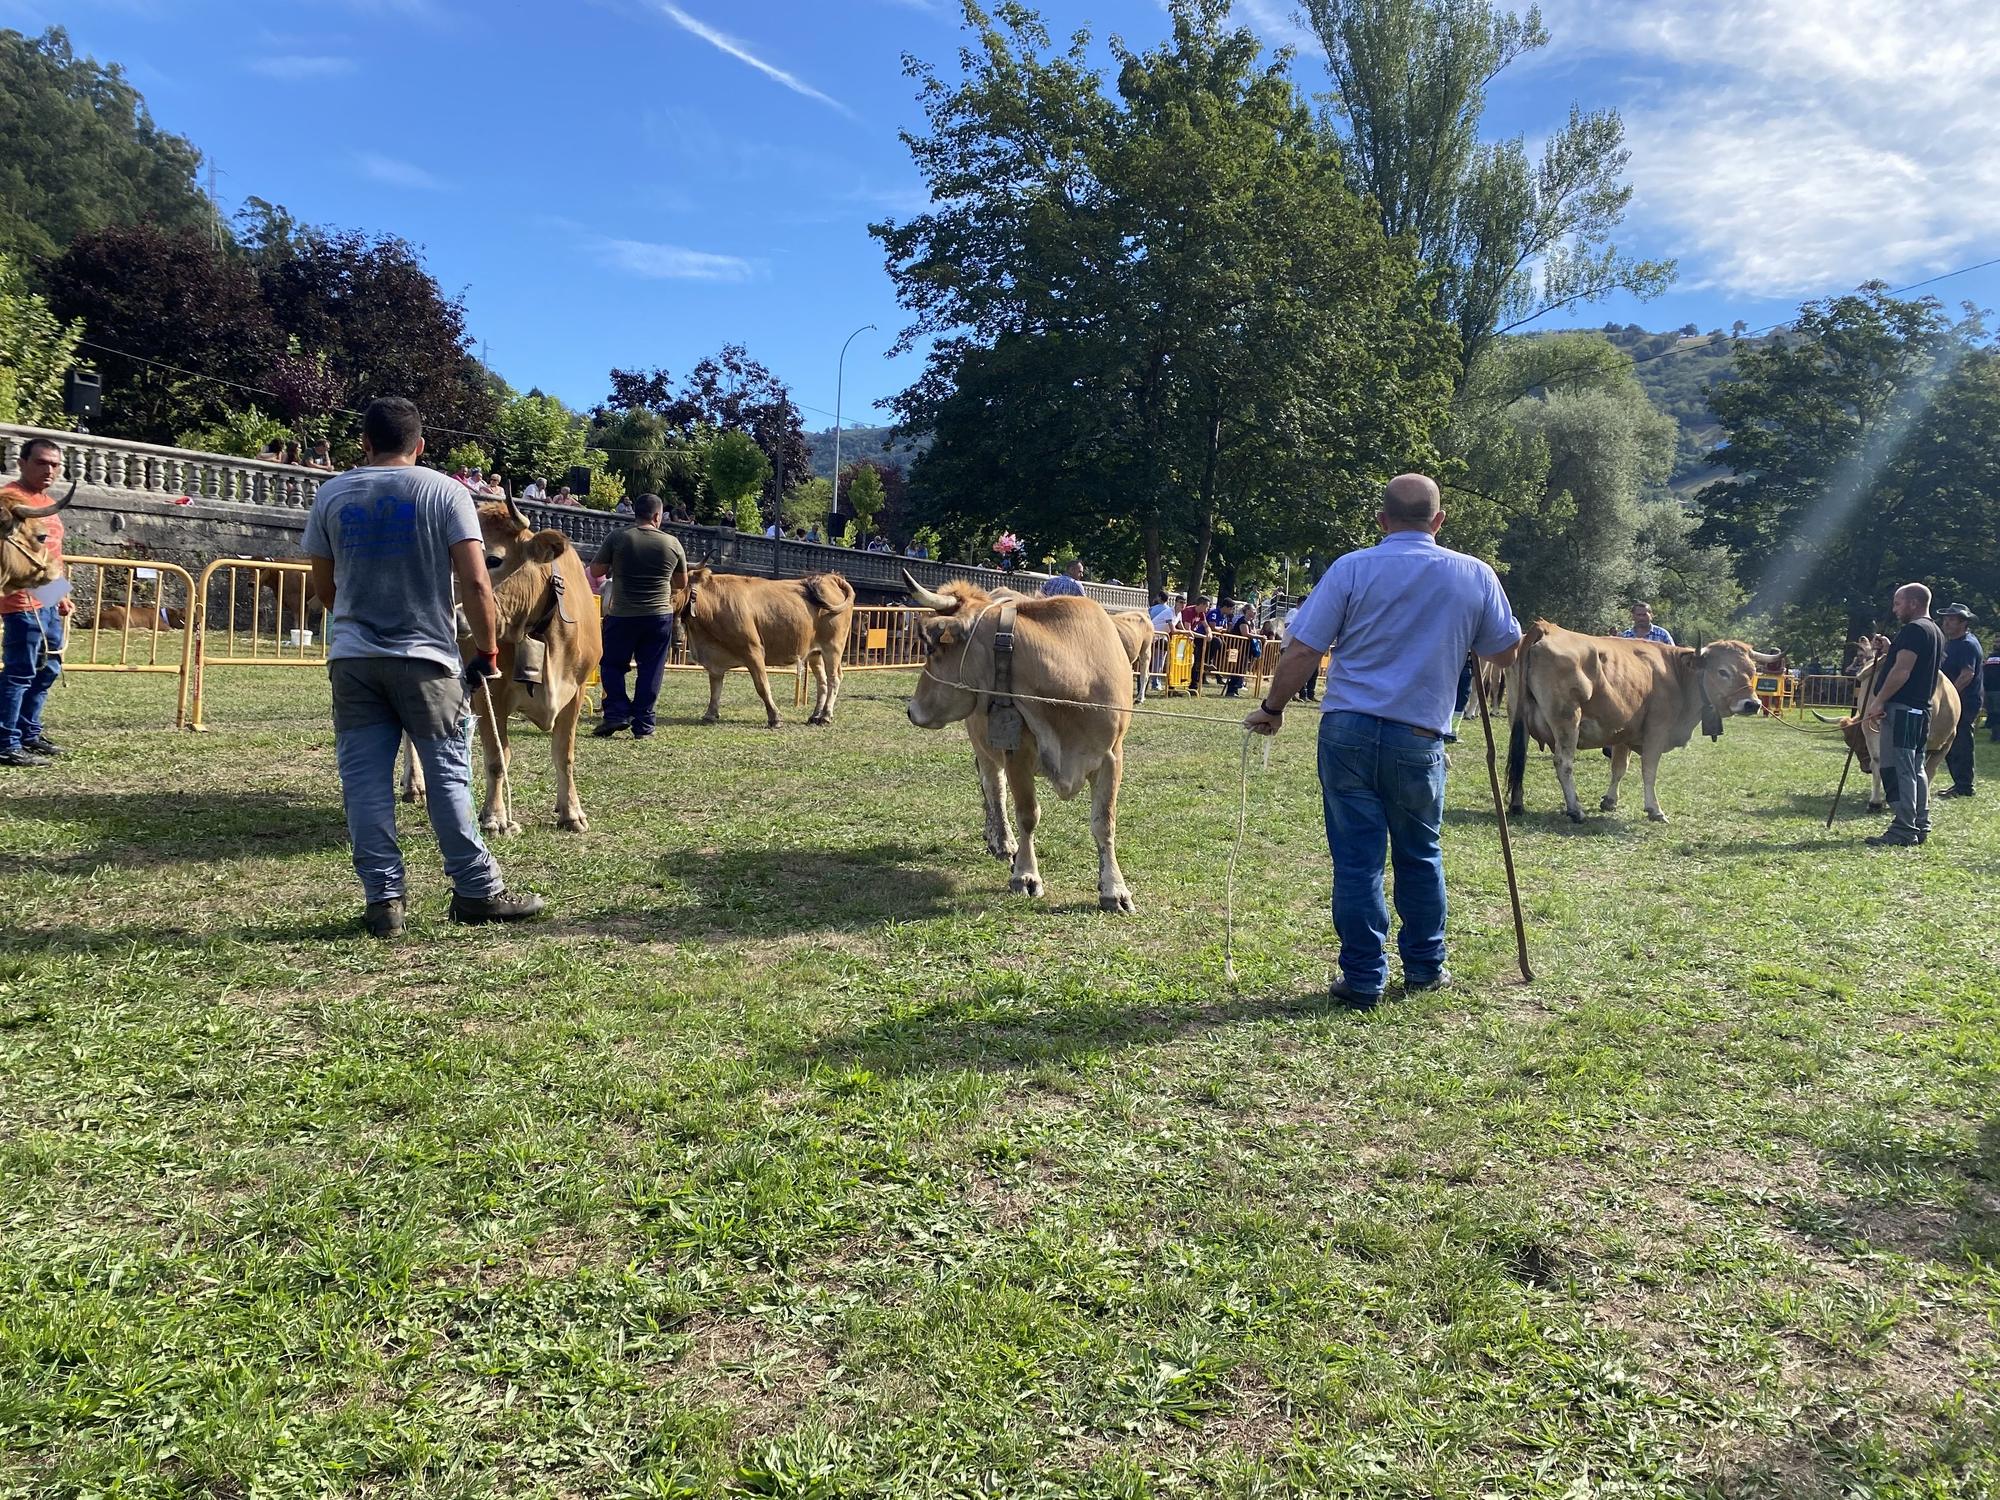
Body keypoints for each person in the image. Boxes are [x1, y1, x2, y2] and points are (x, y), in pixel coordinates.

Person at [1245, 473, 1521, 1006]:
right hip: (1419, 737)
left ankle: (1364, 978)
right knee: (1420, 855)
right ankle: (1424, 969)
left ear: (1382, 520)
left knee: (1357, 860)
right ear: (1439, 521)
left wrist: (1272, 708)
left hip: (1347, 731)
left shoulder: (1352, 568)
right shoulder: (1475, 574)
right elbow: (1505, 652)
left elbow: (1303, 650)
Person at [303, 396, 544, 936]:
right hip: (427, 659)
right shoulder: (446, 491)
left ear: (363, 443)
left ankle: (384, 902)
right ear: (421, 445)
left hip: (353, 660)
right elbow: (478, 582)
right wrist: (486, 651)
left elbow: (324, 587)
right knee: (447, 776)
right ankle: (476, 890)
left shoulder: (331, 495)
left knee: (363, 782)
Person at [588, 492, 687, 741]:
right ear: (657, 516)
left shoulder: (618, 537)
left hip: (622, 614)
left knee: (611, 665)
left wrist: (617, 565)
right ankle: (643, 725)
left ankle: (617, 713)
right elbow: (681, 583)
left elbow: (597, 570)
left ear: (636, 513)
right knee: (651, 669)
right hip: (658, 615)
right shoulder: (672, 543)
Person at [0, 437, 74, 768]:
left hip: (47, 596)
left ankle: (29, 733)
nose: (50, 470)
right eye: (42, 462)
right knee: (20, 670)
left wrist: (61, 595)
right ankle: (6, 741)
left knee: (50, 668)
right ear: (22, 463)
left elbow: (51, 557)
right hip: (19, 599)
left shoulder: (49, 504)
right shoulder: (7, 502)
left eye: (55, 464)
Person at [1857, 582, 1945, 847]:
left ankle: (1904, 828)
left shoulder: (1914, 630)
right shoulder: (1933, 631)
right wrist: (1891, 646)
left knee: (1901, 768)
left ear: (1914, 603)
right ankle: (1920, 822)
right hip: (1920, 711)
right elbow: (1912, 663)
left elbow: (1902, 671)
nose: (1894, 609)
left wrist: (1878, 701)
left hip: (1904, 710)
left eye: (1898, 603)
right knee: (1916, 768)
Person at [1936, 603, 1982, 798]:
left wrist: (1949, 696)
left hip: (1964, 701)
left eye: (1952, 619)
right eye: (1946, 619)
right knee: (1950, 742)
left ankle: (1964, 787)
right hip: (1954, 702)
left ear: (1963, 623)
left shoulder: (1967, 644)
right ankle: (1959, 784)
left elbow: (1967, 674)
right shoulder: (1952, 642)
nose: (1946, 622)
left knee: (1961, 742)